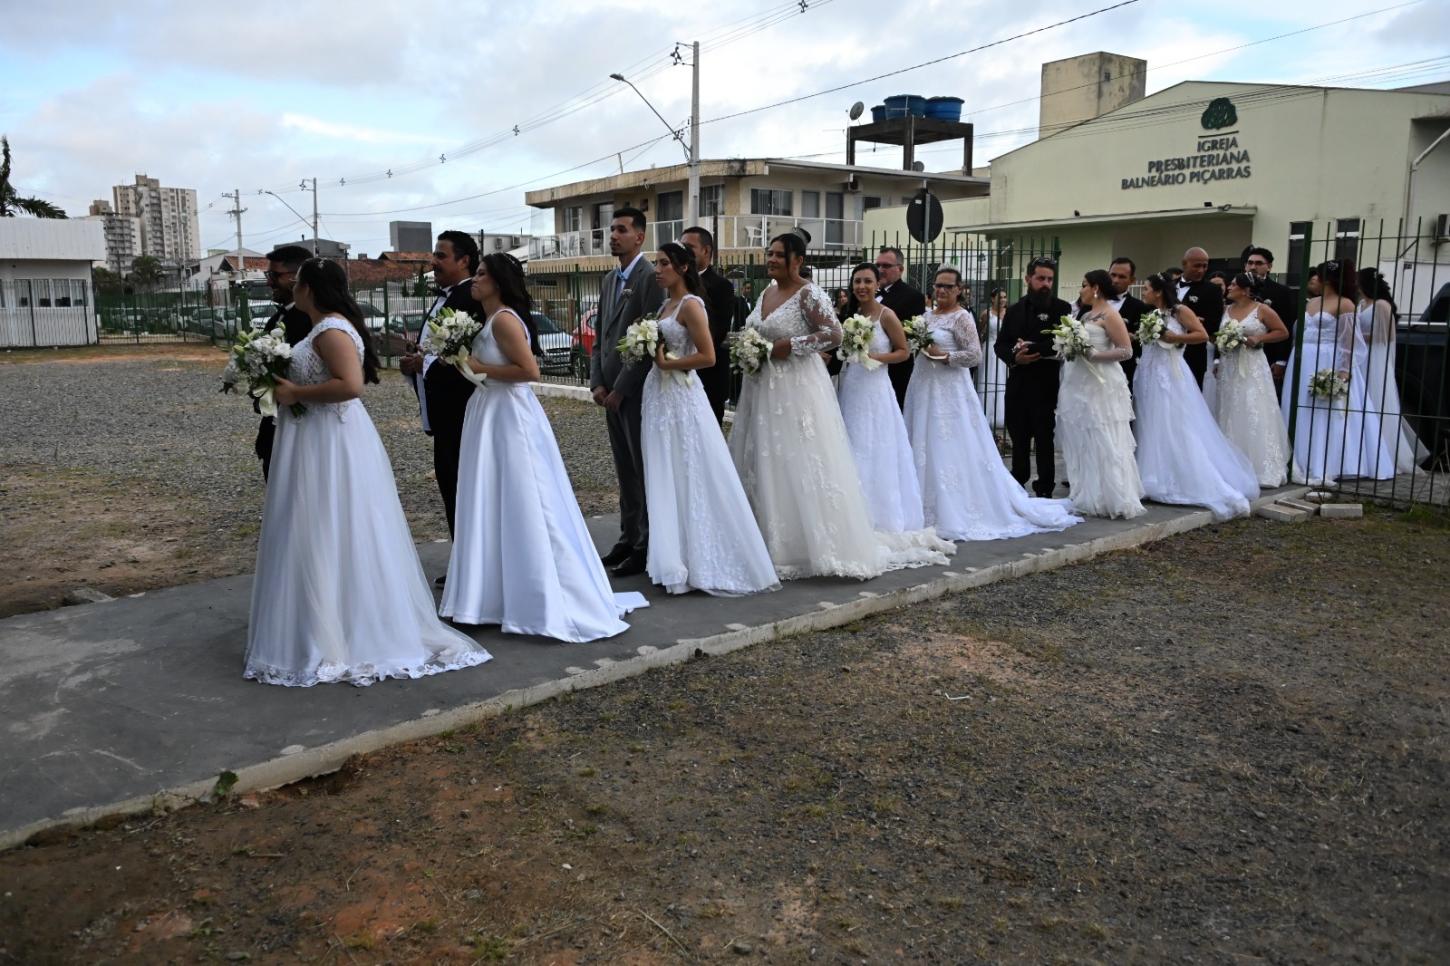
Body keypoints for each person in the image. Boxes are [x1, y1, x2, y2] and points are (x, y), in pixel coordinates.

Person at [245, 258, 491, 686]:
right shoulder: (324, 326)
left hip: (329, 440)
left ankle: (341, 629)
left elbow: (351, 385)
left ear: (311, 288)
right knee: (313, 527)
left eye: (298, 282)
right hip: (311, 436)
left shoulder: (331, 330)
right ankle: (317, 620)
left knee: (330, 522)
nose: (294, 289)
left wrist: (293, 392)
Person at [440, 253, 645, 640]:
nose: (475, 281)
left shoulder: (503, 319)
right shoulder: (490, 319)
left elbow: (529, 371)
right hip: (490, 410)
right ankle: (491, 593)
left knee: (521, 496)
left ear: (499, 282)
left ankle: (531, 592)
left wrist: (477, 367)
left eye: (482, 275)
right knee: (491, 496)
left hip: (507, 414)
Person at [728, 232, 952, 579]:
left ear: (797, 260)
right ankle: (760, 534)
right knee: (765, 456)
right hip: (763, 387)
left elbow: (832, 333)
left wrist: (792, 344)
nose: (770, 260)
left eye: (777, 255)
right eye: (768, 254)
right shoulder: (765, 292)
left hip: (796, 387)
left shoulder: (808, 293)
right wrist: (752, 346)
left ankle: (800, 544)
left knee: (796, 457)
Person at [640, 243, 778, 595]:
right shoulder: (664, 306)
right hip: (659, 396)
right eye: (656, 263)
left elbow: (708, 356)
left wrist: (668, 363)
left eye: (664, 263)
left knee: (690, 470)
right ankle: (674, 556)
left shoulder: (691, 305)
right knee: (665, 471)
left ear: (684, 267)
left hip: (682, 396)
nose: (657, 269)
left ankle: (703, 555)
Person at [906, 267, 1080, 540]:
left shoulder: (961, 317)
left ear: (959, 290)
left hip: (949, 390)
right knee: (921, 440)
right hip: (923, 385)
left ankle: (955, 505)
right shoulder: (926, 317)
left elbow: (974, 356)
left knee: (948, 444)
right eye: (938, 285)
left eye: (947, 287)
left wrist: (944, 357)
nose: (941, 291)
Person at [1133, 274, 1259, 519]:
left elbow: (1201, 335)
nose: (1144, 293)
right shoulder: (1151, 314)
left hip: (1169, 374)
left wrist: (1176, 338)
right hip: (1148, 371)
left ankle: (1186, 477)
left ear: (1158, 291)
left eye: (1147, 289)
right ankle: (1152, 475)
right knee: (1151, 423)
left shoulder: (1179, 310)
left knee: (1174, 424)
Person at [399, 231, 483, 570]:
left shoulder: (469, 299)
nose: (433, 262)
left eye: (441, 255)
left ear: (464, 261)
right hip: (443, 410)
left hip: (461, 410)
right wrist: (416, 359)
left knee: (462, 489)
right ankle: (464, 563)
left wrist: (427, 363)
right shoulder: (446, 297)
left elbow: (467, 355)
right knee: (450, 488)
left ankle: (471, 566)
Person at [591, 207, 666, 577]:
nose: (613, 236)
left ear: (640, 236)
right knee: (623, 471)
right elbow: (600, 338)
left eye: (622, 230)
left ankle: (646, 544)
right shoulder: (609, 280)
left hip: (633, 393)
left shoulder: (649, 277)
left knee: (641, 468)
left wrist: (621, 387)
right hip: (609, 393)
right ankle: (627, 535)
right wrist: (597, 383)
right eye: (612, 229)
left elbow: (649, 340)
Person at [835, 262, 924, 533]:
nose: (861, 286)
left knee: (874, 445)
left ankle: (878, 513)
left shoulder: (887, 315)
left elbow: (903, 351)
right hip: (851, 386)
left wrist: (875, 357)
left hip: (875, 388)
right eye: (857, 281)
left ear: (877, 285)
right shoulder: (850, 315)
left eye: (867, 281)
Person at [1057, 270, 1145, 519]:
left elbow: (1126, 350)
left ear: (1095, 288)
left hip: (1100, 383)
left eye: (1084, 285)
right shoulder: (1085, 315)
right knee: (1081, 435)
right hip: (1078, 381)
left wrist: (1096, 355)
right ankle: (1086, 490)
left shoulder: (1110, 314)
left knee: (1102, 434)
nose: (1081, 290)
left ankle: (1110, 494)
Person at [1281, 259, 1375, 485]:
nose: (1313, 279)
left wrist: (1343, 372)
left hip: (1328, 360)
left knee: (1327, 410)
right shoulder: (1311, 302)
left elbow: (1350, 342)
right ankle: (1297, 457)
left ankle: (1328, 461)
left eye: (1318, 275)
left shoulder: (1345, 304)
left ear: (1328, 279)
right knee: (1301, 406)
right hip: (1303, 360)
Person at [994, 257, 1071, 498]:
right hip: (1019, 381)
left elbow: (1062, 340)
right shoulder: (1014, 310)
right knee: (1018, 435)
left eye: (1049, 279)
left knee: (1044, 436)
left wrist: (1033, 347)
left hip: (1046, 383)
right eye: (1040, 278)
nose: (1045, 284)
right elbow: (1001, 345)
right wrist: (1016, 357)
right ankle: (1018, 481)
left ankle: (1045, 487)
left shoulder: (1062, 309)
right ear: (1028, 279)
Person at [1215, 273, 1294, 487]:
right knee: (1230, 409)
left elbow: (1283, 332)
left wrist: (1259, 338)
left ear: (1246, 289)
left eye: (1233, 284)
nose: (1229, 287)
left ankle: (1260, 465)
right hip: (1230, 366)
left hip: (1252, 365)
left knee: (1252, 408)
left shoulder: (1262, 310)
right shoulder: (1226, 310)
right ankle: (1232, 463)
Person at [252, 245, 313, 480]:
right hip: (276, 425)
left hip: (304, 429)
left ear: (295, 278)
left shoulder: (314, 321)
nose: (269, 282)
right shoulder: (277, 318)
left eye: (274, 275)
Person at [1356, 267, 1423, 476]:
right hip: (1360, 356)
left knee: (1376, 402)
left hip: (1374, 356)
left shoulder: (1382, 305)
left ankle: (1385, 453)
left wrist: (1356, 337)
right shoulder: (1361, 304)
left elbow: (1384, 336)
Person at [680, 226, 736, 425]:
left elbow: (717, 332)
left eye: (689, 247)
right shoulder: (675, 284)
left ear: (706, 250)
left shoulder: (722, 286)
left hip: (708, 377)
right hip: (676, 377)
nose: (684, 253)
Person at [875, 246, 927, 408]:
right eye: (878, 265)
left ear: (901, 269)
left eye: (886, 266)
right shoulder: (871, 294)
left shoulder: (912, 297)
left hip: (895, 371)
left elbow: (911, 337)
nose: (880, 270)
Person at [1241, 246, 1298, 396]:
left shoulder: (1282, 292)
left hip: (1268, 355)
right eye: (1250, 262)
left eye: (1259, 263)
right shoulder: (1235, 289)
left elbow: (1287, 325)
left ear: (1269, 266)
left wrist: (1281, 360)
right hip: (1238, 354)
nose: (1253, 266)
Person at [1177, 247, 1225, 387]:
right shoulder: (1169, 285)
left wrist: (1192, 323)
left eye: (1205, 266)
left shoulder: (1212, 290)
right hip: (1164, 352)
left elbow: (1214, 324)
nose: (1201, 270)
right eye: (1197, 265)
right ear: (1184, 263)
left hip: (1193, 354)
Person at [1102, 257, 1151, 392]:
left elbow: (1141, 338)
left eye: (1122, 277)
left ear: (1132, 280)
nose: (1116, 280)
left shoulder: (1140, 307)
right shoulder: (1092, 302)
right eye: (1113, 275)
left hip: (1122, 368)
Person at [975, 286, 1009, 430]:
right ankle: (986, 413)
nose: (1003, 300)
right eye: (1000, 297)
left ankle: (1002, 413)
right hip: (990, 348)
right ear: (992, 298)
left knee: (1002, 379)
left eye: (1004, 297)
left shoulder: (1008, 313)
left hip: (1004, 348)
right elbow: (980, 333)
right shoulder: (986, 313)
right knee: (989, 378)